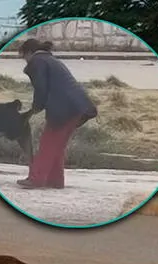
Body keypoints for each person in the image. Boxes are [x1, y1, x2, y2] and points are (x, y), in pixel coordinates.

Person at [16, 39, 98, 189]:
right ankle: (55, 181)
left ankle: (36, 179)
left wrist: (34, 109)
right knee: (56, 145)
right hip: (77, 106)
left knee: (48, 144)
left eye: (23, 56)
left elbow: (41, 89)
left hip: (63, 108)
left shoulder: (38, 61)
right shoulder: (50, 59)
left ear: (29, 52)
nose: (25, 61)